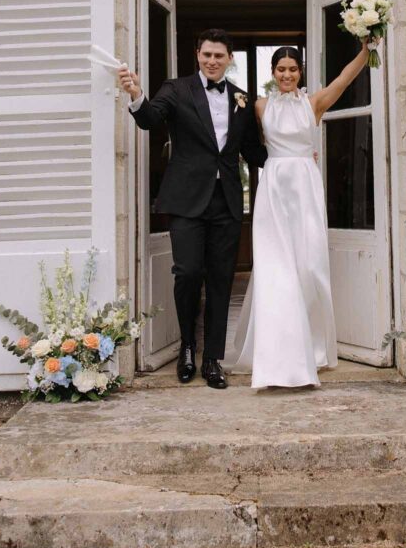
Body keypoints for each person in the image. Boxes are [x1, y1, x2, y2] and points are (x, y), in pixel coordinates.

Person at [118, 29, 267, 389]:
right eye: (206, 55)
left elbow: (253, 152)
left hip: (227, 200)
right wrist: (137, 94)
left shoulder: (242, 99)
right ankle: (187, 346)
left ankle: (212, 359)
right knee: (187, 272)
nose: (212, 61)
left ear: (230, 58)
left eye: (219, 55)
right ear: (197, 55)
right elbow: (152, 119)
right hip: (186, 199)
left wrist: (293, 153)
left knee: (220, 280)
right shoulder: (176, 89)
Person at [226, 39, 375, 389]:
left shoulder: (315, 103)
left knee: (308, 268)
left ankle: (313, 348)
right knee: (276, 269)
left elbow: (344, 78)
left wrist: (366, 51)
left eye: (293, 69)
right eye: (281, 69)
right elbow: (241, 140)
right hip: (274, 190)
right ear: (273, 73)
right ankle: (278, 360)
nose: (287, 74)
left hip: (305, 190)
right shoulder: (259, 107)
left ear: (300, 71)